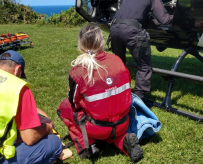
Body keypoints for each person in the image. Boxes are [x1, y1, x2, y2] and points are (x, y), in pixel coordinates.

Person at [57, 23, 144, 163]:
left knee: (64, 108)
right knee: (111, 120)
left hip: (97, 127)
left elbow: (73, 101)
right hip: (122, 122)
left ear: (80, 44)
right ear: (102, 41)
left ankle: (88, 145)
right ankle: (123, 141)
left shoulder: (78, 71)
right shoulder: (117, 60)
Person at [110, 0, 173, 99]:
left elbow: (140, 19)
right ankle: (139, 99)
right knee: (144, 66)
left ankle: (116, 92)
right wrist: (178, 15)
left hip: (114, 29)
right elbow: (165, 19)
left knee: (119, 63)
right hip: (131, 30)